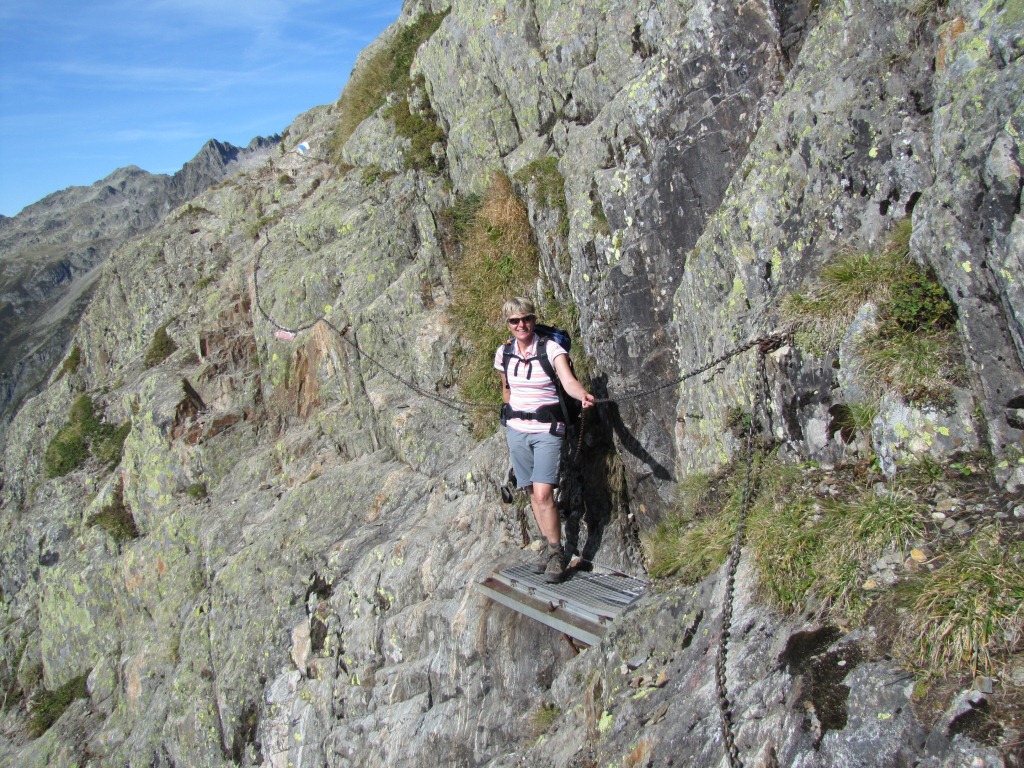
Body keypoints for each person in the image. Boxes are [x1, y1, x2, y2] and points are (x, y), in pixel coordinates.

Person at [494, 297, 595, 582]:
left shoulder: (551, 349)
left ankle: (555, 552)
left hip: (547, 430)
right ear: (508, 324)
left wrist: (582, 395)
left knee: (543, 494)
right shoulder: (504, 352)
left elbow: (568, 381)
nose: (521, 325)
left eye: (526, 318)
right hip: (516, 430)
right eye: (514, 321)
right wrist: (510, 417)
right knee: (530, 491)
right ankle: (548, 546)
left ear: (534, 320)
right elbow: (506, 390)